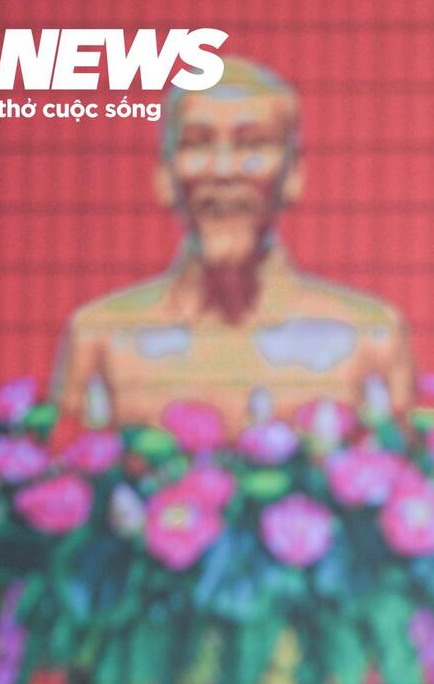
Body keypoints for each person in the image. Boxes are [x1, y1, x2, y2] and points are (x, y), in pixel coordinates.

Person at [50, 57, 414, 428]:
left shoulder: (369, 339)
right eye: (197, 144)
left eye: (252, 144)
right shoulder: (101, 338)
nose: (223, 170)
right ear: (163, 175)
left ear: (295, 174)